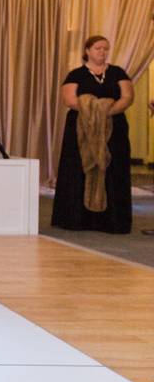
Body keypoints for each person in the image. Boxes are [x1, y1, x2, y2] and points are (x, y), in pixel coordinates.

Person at [52, 35, 134, 234]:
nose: (102, 52)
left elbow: (127, 97)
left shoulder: (117, 73)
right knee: (79, 168)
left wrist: (105, 111)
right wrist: (94, 112)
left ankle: (113, 221)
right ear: (87, 50)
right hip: (81, 128)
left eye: (105, 48)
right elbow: (70, 100)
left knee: (113, 168)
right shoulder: (76, 74)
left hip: (114, 127)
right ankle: (76, 218)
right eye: (98, 48)